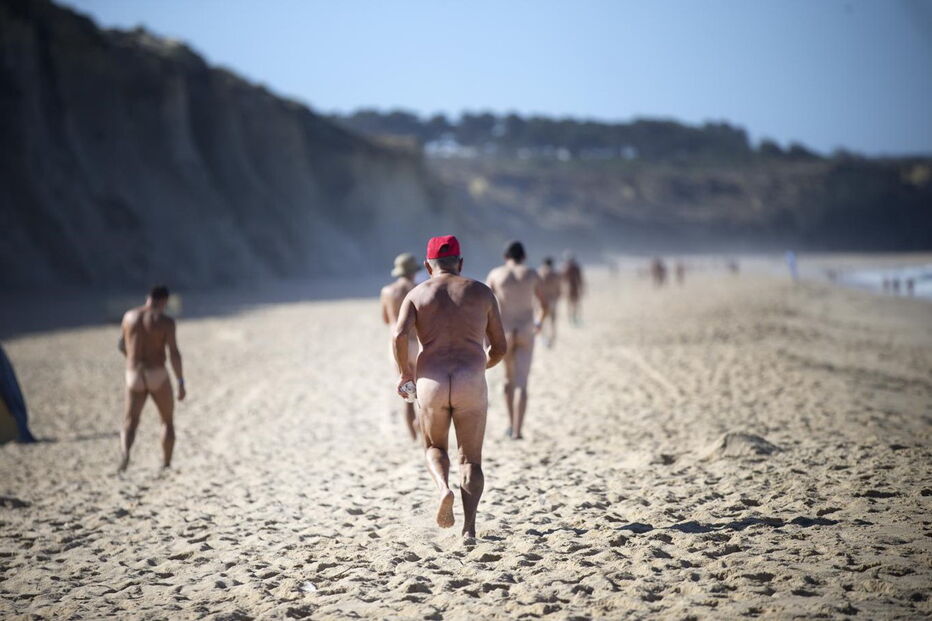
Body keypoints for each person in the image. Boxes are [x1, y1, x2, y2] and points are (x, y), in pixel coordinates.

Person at [393, 235, 507, 538]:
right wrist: (481, 366)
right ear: (460, 263)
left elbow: (398, 335)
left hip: (432, 381)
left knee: (434, 447)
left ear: (428, 266)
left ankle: (444, 488)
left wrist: (405, 373)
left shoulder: (416, 294)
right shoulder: (481, 292)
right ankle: (469, 529)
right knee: (470, 460)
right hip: (470, 379)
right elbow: (500, 347)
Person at [118, 285, 185, 472]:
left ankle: (125, 453)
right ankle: (166, 463)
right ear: (164, 301)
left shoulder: (129, 316)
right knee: (167, 421)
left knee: (130, 421)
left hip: (133, 374)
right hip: (156, 373)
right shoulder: (165, 321)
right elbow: (174, 353)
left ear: (148, 297)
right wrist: (180, 381)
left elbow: (122, 345)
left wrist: (132, 360)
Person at [486, 241, 548, 440]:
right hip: (526, 329)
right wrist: (539, 323)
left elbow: (485, 304)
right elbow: (544, 304)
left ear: (506, 257)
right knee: (521, 382)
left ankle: (510, 424)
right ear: (524, 256)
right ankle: (518, 431)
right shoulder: (532, 274)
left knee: (507, 380)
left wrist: (487, 333)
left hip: (504, 331)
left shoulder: (496, 274)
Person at [380, 253, 422, 441]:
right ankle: (421, 428)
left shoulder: (387, 291)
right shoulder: (418, 289)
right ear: (414, 271)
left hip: (397, 345)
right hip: (417, 343)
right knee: (423, 391)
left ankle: (412, 437)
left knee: (407, 393)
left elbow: (385, 319)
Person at [537, 257, 562, 348]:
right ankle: (552, 340)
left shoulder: (540, 273)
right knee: (552, 321)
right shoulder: (556, 274)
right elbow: (559, 290)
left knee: (542, 321)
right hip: (553, 300)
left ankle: (544, 340)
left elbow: (536, 289)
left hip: (542, 300)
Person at [562, 252, 585, 324]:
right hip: (573, 286)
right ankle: (573, 317)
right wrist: (582, 288)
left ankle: (571, 317)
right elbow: (580, 279)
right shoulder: (575, 267)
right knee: (575, 303)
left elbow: (563, 279)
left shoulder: (566, 267)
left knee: (570, 303)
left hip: (570, 287)